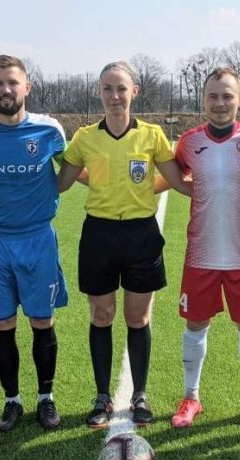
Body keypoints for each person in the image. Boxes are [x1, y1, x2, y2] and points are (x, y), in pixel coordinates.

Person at [58, 60, 189, 428]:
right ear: (98, 92)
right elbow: (62, 182)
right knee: (101, 315)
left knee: (137, 317)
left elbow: (177, 181)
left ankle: (139, 394)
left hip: (141, 236)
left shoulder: (152, 135)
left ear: (135, 91)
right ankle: (102, 396)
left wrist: (220, 188)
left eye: (121, 88)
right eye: (107, 89)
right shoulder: (85, 137)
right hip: (99, 235)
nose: (114, 96)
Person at [165, 67, 240, 433]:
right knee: (195, 324)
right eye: (213, 96)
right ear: (203, 100)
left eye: (227, 96)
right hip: (202, 254)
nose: (220, 103)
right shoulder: (189, 142)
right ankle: (191, 397)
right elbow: (173, 173)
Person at [0, 55, 68, 432]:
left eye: (12, 82)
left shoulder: (49, 130)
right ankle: (12, 401)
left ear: (27, 87)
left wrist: (52, 191)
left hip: (38, 238)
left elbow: (70, 166)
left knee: (42, 319)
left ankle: (45, 398)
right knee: (3, 322)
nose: (6, 90)